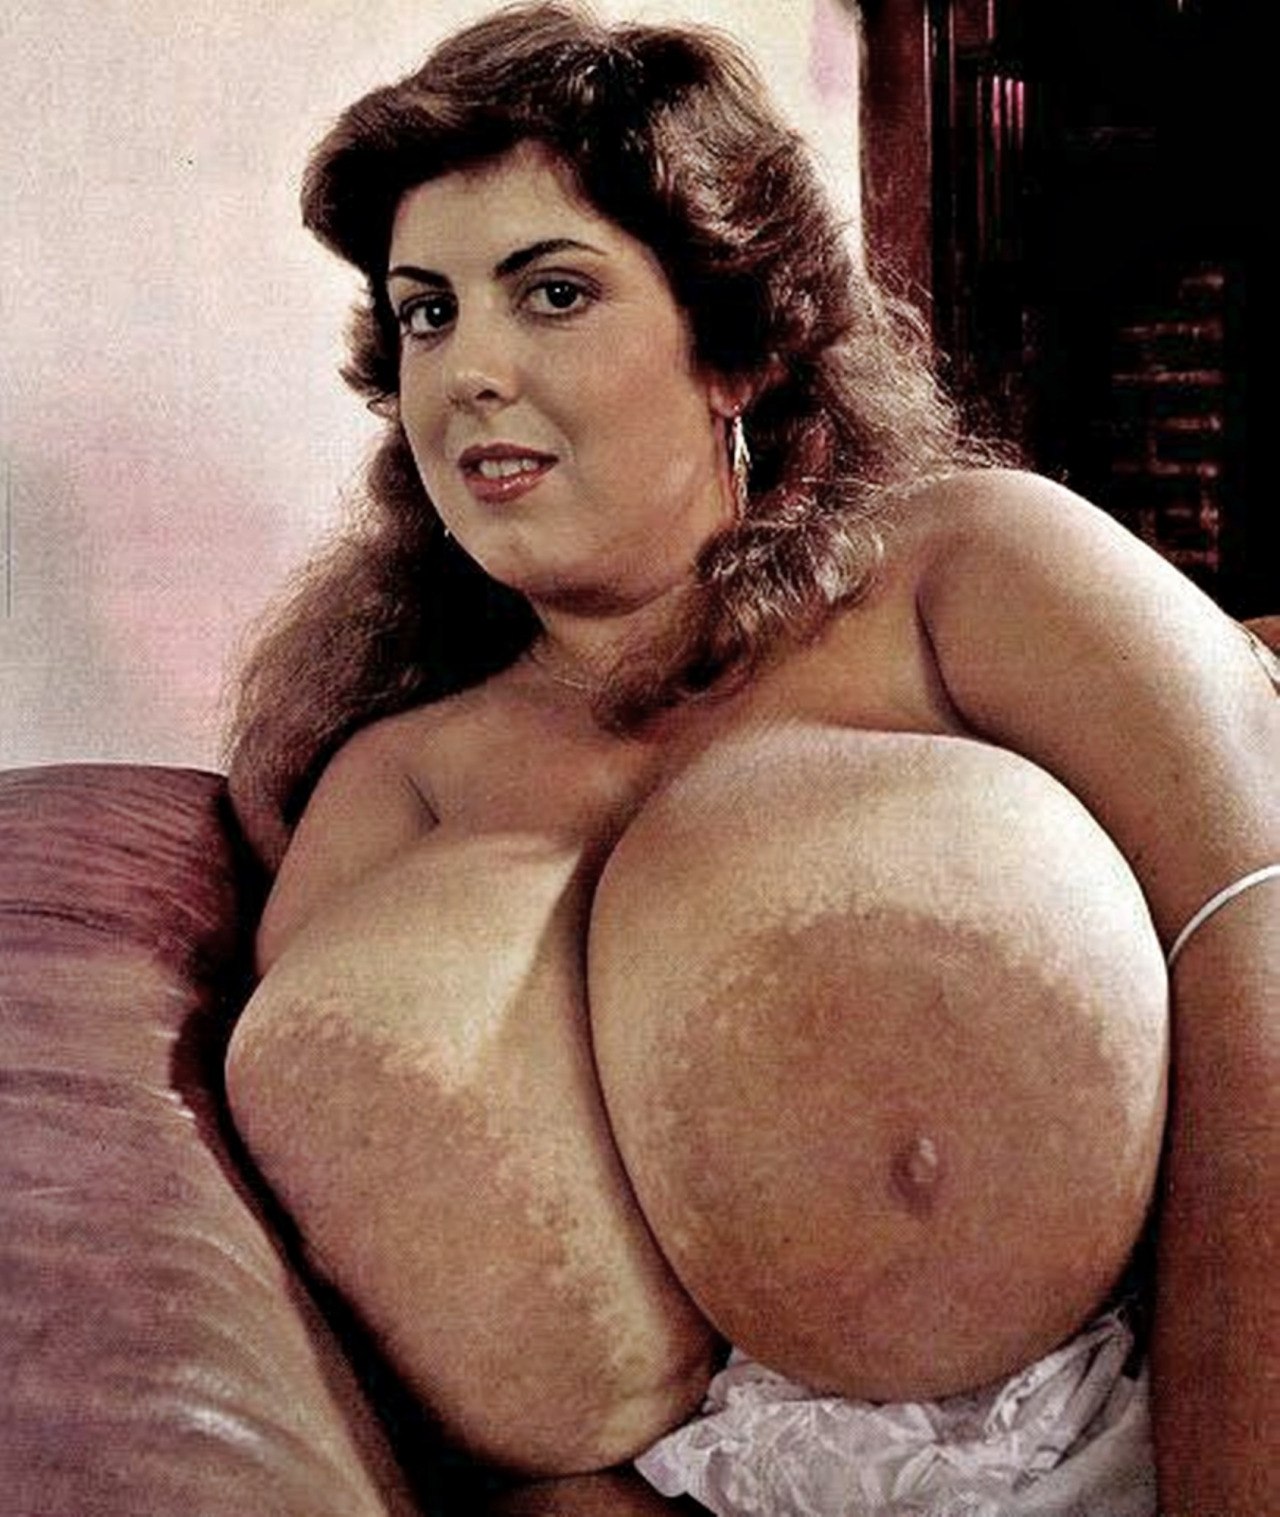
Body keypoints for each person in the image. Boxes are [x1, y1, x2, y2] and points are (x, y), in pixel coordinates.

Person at [222, 5, 1278, 1514]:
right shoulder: (398, 781)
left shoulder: (970, 567)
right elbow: (421, 1369)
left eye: (553, 292)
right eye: (428, 313)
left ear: (734, 348)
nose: (469, 372)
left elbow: (1262, 956)